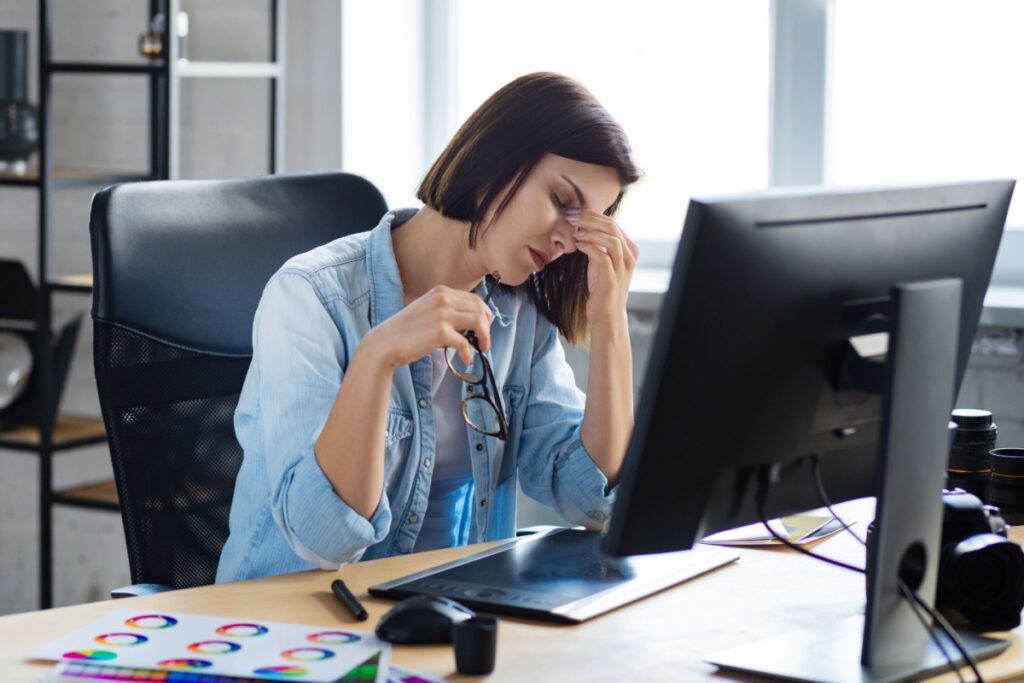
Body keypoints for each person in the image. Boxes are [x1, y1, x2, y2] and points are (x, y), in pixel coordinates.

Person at [216, 72, 642, 582]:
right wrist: (378, 357)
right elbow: (323, 540)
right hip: (294, 630)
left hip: (448, 614)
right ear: (496, 161)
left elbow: (590, 502)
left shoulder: (520, 315)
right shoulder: (310, 296)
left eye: (586, 225)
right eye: (560, 200)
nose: (565, 241)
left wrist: (609, 324)